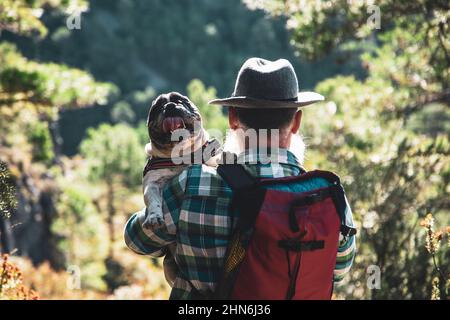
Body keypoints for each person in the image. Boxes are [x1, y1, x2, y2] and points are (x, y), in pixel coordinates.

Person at [124, 58, 356, 299]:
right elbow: (338, 271)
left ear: (232, 118)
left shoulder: (191, 183)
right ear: (296, 122)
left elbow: (137, 240)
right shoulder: (327, 198)